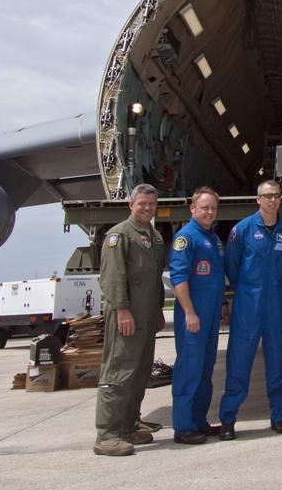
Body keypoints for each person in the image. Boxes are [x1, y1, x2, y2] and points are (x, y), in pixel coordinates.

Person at [94, 184, 167, 457]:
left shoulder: (154, 237)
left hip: (147, 315)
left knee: (139, 373)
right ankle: (107, 434)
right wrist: (122, 310)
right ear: (131, 205)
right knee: (118, 372)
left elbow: (155, 279)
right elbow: (112, 277)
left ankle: (127, 426)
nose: (147, 208)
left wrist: (158, 309)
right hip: (126, 316)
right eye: (142, 203)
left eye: (152, 204)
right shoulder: (119, 235)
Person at [219, 180, 282, 439]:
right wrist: (246, 289)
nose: (272, 200)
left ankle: (280, 416)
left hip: (275, 300)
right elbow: (232, 265)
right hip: (248, 301)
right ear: (258, 199)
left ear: (280, 199)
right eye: (267, 196)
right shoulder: (242, 229)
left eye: (276, 196)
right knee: (239, 359)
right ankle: (228, 419)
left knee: (277, 359)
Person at [169, 187, 226, 444]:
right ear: (193, 209)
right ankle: (183, 427)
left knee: (205, 369)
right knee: (189, 369)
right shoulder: (186, 237)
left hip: (211, 314)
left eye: (213, 208)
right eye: (204, 208)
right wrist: (189, 312)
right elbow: (178, 277)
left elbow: (215, 276)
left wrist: (223, 304)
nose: (209, 212)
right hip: (194, 314)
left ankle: (199, 420)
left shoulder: (212, 238)